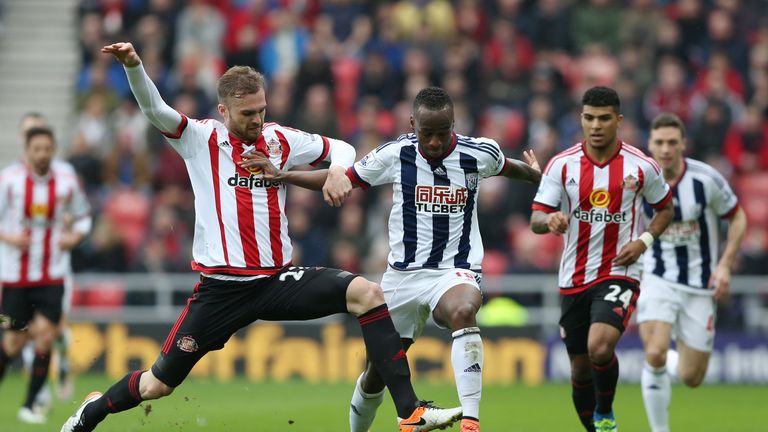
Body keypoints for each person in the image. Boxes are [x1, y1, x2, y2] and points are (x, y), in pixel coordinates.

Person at [61, 42, 461, 432]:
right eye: (247, 113)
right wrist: (133, 65)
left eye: (261, 110)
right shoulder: (201, 139)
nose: (256, 119)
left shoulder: (279, 139)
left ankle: (409, 413)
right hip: (221, 290)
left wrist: (339, 170)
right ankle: (91, 412)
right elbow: (155, 109)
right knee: (158, 384)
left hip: (274, 282)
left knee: (368, 294)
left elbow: (342, 146)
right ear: (223, 110)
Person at [241, 86, 542, 432]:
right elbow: (344, 177)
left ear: (454, 124)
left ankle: (471, 421)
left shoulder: (479, 152)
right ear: (412, 124)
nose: (433, 142)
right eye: (426, 133)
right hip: (402, 278)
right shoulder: (396, 154)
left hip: (454, 269)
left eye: (442, 133)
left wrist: (534, 174)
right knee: (376, 375)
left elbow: (508, 167)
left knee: (462, 310)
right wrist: (284, 176)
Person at [530, 86, 674, 432]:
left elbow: (665, 209)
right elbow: (536, 217)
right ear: (581, 118)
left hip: (620, 270)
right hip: (573, 277)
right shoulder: (561, 165)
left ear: (618, 121)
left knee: (600, 346)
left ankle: (606, 411)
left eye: (604, 118)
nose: (596, 126)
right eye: (589, 118)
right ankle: (598, 428)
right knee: (580, 368)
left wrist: (644, 241)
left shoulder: (641, 166)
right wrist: (549, 221)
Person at [638, 113, 746, 432]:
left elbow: (738, 218)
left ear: (683, 144)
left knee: (691, 377)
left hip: (700, 285)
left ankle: (674, 362)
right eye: (659, 142)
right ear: (650, 144)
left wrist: (725, 265)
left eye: (672, 142)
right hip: (656, 278)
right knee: (655, 352)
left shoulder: (706, 180)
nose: (666, 148)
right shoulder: (638, 179)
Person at [0, 125, 92, 424]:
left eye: (47, 149)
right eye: (36, 149)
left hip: (52, 275)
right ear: (27, 152)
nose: (42, 154)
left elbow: (84, 217)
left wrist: (74, 238)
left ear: (53, 150)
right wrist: (10, 238)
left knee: (45, 336)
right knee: (13, 342)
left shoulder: (66, 182)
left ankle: (30, 405)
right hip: (15, 277)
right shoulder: (10, 181)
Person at [14, 113, 78, 413]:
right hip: (18, 270)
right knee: (21, 334)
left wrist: (72, 229)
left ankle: (57, 370)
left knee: (51, 330)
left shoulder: (64, 174)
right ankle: (38, 393)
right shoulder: (11, 178)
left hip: (56, 266)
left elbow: (81, 214)